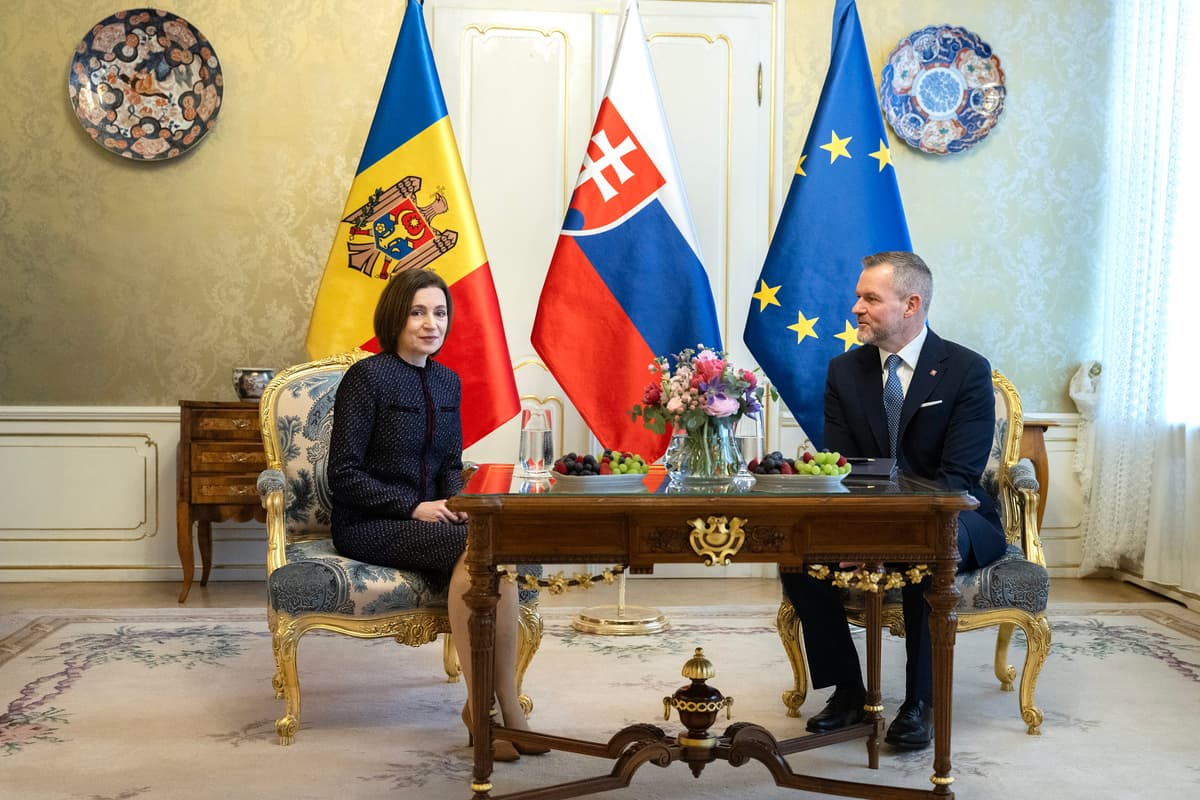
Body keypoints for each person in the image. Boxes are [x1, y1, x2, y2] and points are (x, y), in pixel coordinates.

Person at [781, 251, 1006, 750]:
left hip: (956, 515)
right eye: (858, 296)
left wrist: (890, 535)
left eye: (869, 298)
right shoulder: (844, 371)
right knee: (796, 556)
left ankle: (920, 702)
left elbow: (957, 478)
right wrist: (865, 531)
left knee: (930, 556)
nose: (855, 307)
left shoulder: (966, 370)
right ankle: (847, 692)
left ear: (911, 304)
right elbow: (842, 467)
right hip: (872, 514)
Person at [327, 267, 546, 762]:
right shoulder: (367, 378)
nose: (431, 323)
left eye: (440, 312)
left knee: (496, 555)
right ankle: (492, 714)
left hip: (434, 519)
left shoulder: (448, 382)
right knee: (477, 557)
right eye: (418, 312)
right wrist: (412, 506)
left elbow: (451, 464)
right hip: (371, 523)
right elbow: (342, 474)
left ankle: (501, 708)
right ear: (396, 318)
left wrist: (456, 503)